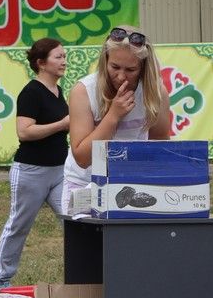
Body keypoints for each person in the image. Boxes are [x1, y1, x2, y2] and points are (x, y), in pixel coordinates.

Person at [62, 26, 172, 215]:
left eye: (131, 69)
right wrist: (113, 116)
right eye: (114, 67)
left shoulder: (155, 93)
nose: (121, 76)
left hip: (131, 183)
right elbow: (82, 158)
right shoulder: (84, 91)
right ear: (105, 61)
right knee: (87, 244)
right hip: (84, 184)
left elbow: (159, 145)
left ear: (144, 67)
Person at [0, 38, 70, 291]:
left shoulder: (59, 91)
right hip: (31, 172)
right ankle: (0, 281)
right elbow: (24, 132)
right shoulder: (31, 92)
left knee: (74, 221)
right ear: (41, 63)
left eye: (64, 56)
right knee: (19, 225)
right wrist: (62, 124)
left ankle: (83, 276)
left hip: (60, 171)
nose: (64, 61)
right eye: (58, 57)